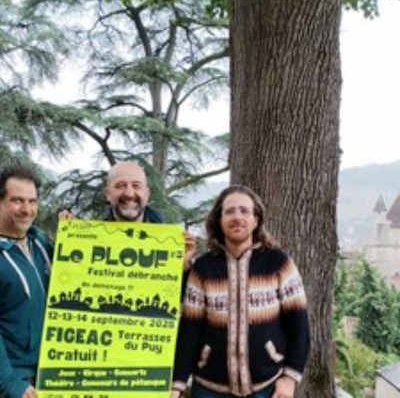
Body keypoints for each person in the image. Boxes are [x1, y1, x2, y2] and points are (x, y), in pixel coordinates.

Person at [170, 185, 310, 398]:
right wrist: (178, 383)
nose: (237, 217)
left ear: (256, 220)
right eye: (229, 211)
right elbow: (190, 329)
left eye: (244, 211)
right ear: (219, 220)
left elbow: (299, 325)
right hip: (209, 390)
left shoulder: (279, 263)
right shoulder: (203, 268)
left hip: (267, 388)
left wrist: (290, 378)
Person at [60, 161, 196, 270]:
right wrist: (70, 240)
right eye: (120, 186)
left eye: (136, 186)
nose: (129, 194)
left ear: (147, 194)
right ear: (107, 194)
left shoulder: (168, 245)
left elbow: (177, 293)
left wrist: (184, 268)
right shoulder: (88, 243)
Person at [0, 165, 53, 398]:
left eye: (32, 201)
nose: (27, 209)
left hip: (49, 371)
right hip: (16, 381)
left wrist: (74, 232)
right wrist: (9, 383)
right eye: (17, 200)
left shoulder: (39, 243)